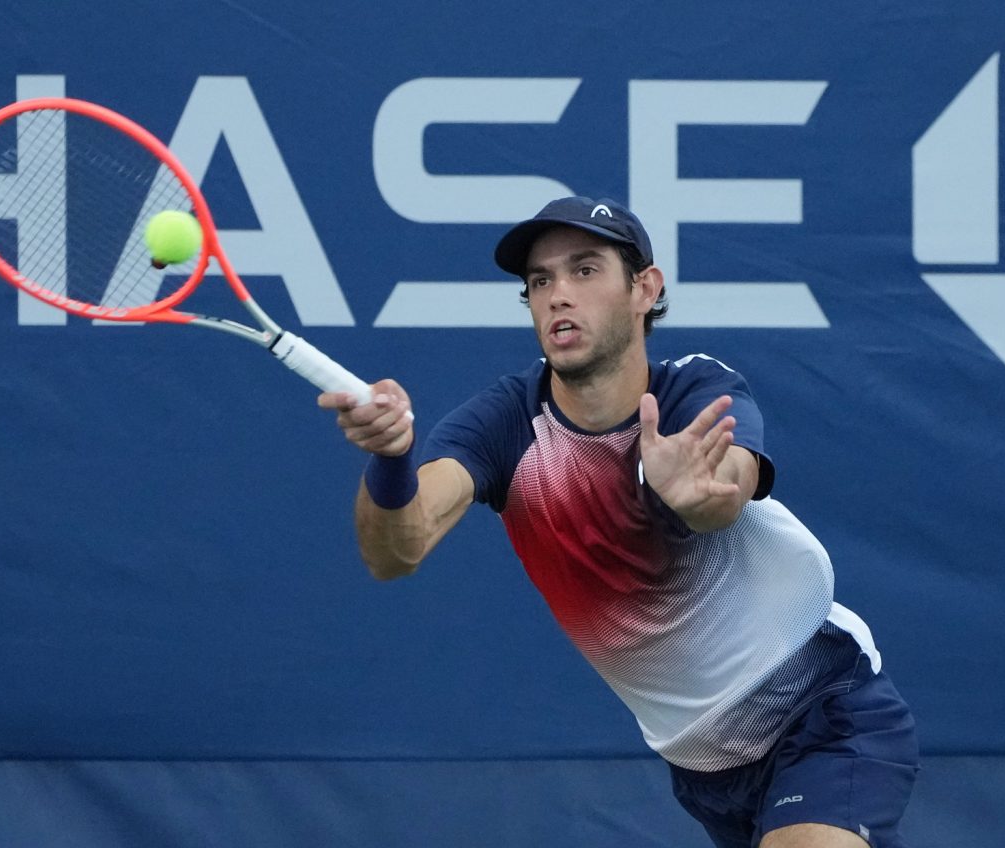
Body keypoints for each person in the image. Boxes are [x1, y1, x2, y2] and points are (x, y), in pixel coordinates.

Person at [319, 196, 919, 848]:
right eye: (540, 281)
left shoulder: (695, 387)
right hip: (706, 767)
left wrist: (692, 496)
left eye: (584, 270)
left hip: (825, 704)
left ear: (645, 289)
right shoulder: (503, 426)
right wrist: (389, 461)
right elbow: (395, 552)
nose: (557, 296)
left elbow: (727, 489)